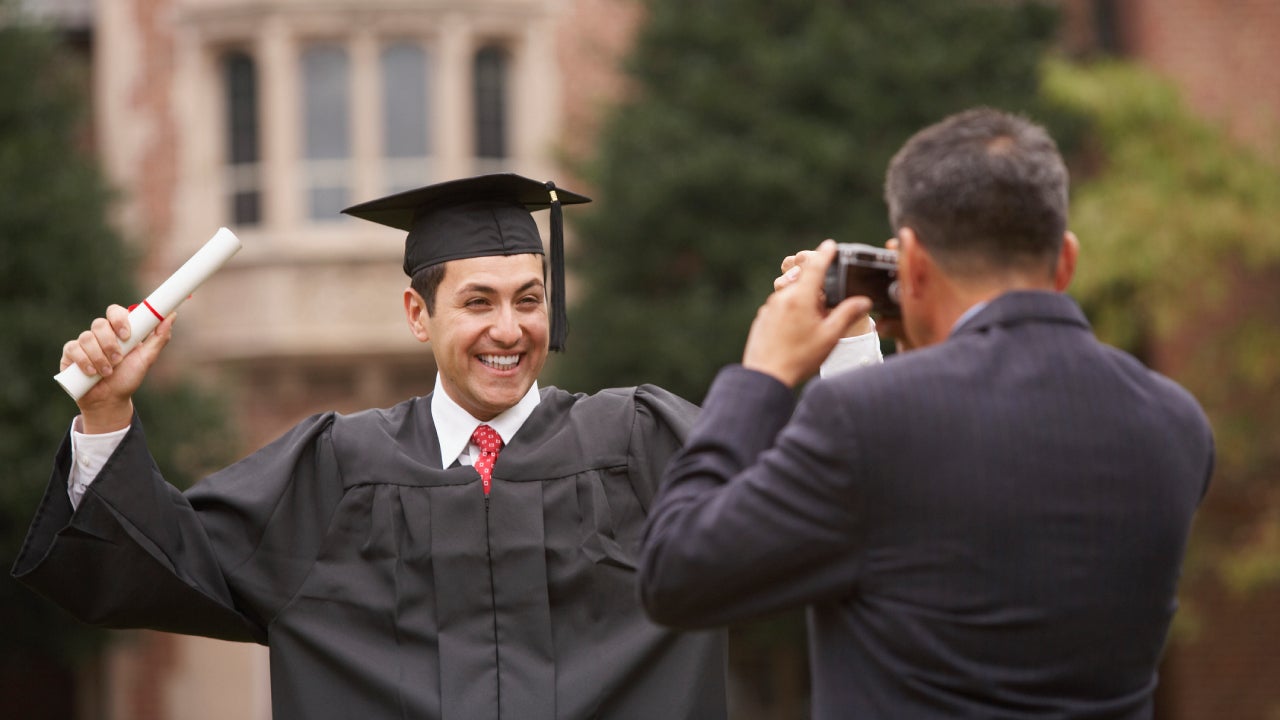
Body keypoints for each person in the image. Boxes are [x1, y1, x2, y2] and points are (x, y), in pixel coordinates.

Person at [13, 173, 882, 719]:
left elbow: (830, 510)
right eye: (478, 302)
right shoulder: (333, 471)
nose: (509, 329)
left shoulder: (641, 445)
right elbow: (153, 563)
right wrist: (107, 417)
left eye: (530, 298)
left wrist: (846, 339)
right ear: (417, 314)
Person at [637, 109, 1214, 719]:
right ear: (1065, 260)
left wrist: (763, 373)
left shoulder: (864, 423)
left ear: (910, 263)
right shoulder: (1176, 423)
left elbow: (677, 574)